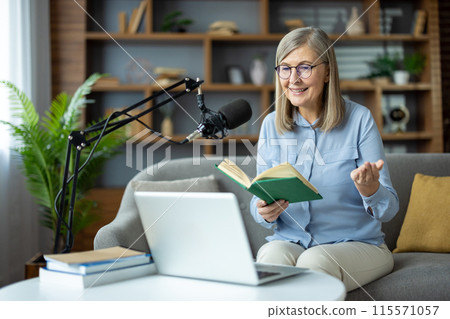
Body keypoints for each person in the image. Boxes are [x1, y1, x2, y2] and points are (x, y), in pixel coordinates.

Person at [249, 27, 399, 292]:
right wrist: (262, 209)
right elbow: (259, 194)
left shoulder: (359, 120)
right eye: (285, 68)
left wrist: (371, 190)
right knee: (269, 257)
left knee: (315, 261)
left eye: (305, 67)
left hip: (358, 246)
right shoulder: (271, 125)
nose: (293, 79)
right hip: (291, 241)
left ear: (328, 72)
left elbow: (389, 208)